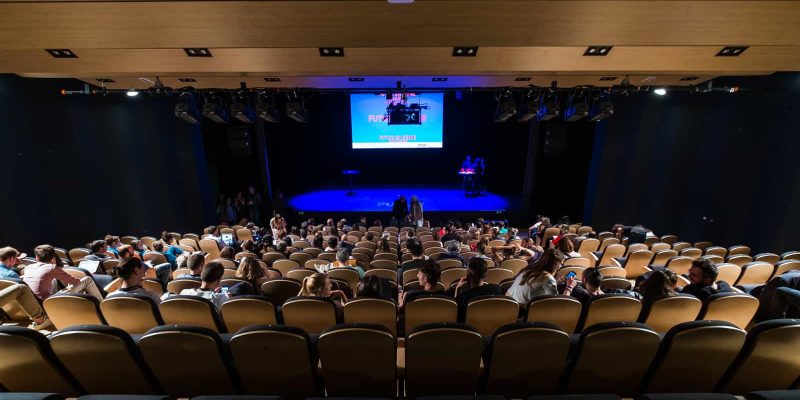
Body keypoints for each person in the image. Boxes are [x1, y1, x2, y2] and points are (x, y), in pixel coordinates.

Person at [23, 244, 103, 301]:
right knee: (87, 279)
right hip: (49, 301)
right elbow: (76, 282)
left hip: (36, 301)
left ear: (37, 257)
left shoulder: (28, 268)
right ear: (53, 257)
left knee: (54, 280)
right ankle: (100, 304)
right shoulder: (52, 267)